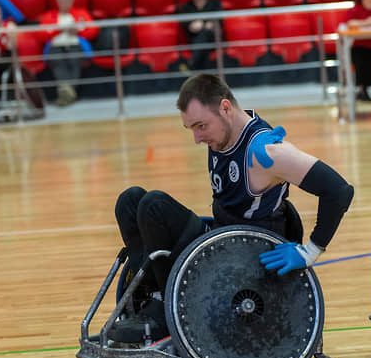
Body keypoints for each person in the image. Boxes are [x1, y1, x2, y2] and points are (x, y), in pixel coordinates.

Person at [108, 74, 355, 342]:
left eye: (201, 126)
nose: (197, 138)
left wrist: (310, 251)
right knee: (130, 200)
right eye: (191, 128)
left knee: (154, 205)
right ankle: (145, 298)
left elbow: (339, 191)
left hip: (245, 256)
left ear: (225, 108)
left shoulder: (267, 152)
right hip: (219, 240)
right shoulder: (225, 134)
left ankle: (169, 312)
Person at [39, 0, 98, 106]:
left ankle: (66, 94)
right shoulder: (49, 16)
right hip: (56, 46)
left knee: (74, 59)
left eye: (67, 0)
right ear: (57, 1)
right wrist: (59, 30)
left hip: (76, 45)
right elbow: (42, 35)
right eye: (61, 0)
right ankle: (70, 93)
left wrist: (77, 31)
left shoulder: (81, 14)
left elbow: (93, 31)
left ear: (72, 0)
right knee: (57, 61)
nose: (64, 3)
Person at [177, 0, 223, 71]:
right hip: (194, 41)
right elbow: (186, 26)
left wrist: (205, 25)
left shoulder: (215, 4)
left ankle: (192, 64)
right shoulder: (185, 8)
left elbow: (219, 21)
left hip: (213, 40)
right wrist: (195, 26)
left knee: (204, 35)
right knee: (203, 40)